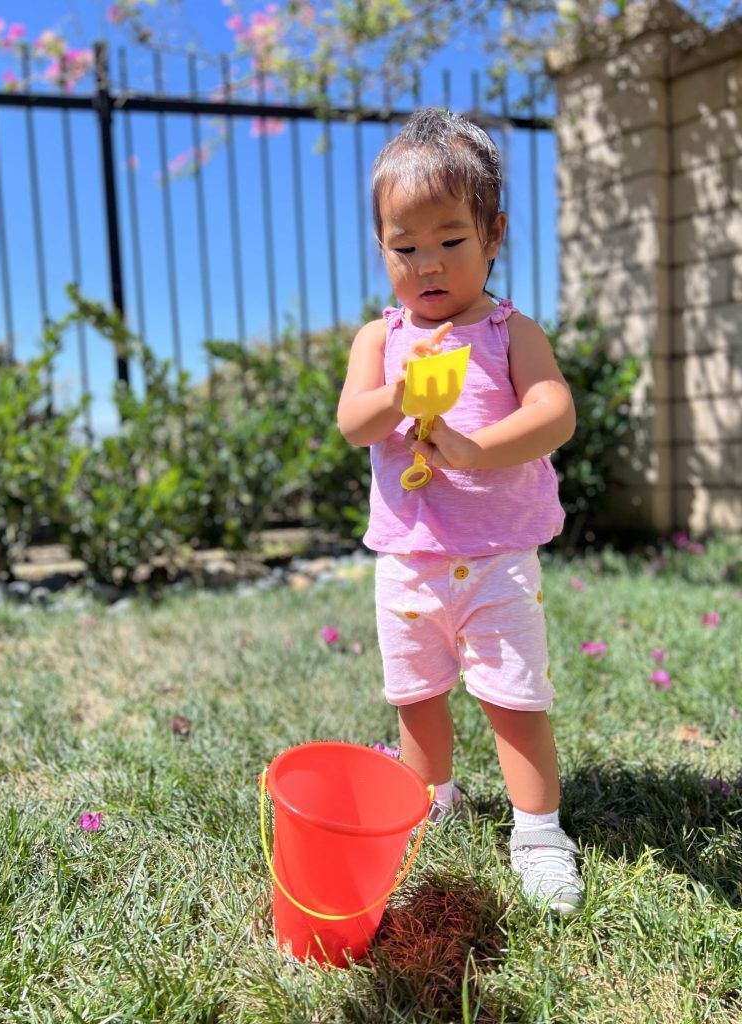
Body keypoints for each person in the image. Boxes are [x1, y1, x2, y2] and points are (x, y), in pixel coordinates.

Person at [337, 108, 584, 914]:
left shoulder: (509, 331)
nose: (428, 264)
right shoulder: (381, 341)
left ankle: (539, 832)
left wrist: (478, 450)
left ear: (494, 236)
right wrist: (397, 396)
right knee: (416, 696)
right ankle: (430, 804)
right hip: (409, 558)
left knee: (515, 697)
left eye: (451, 240)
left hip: (497, 555)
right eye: (405, 248)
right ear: (383, 250)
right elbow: (353, 424)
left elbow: (553, 411)